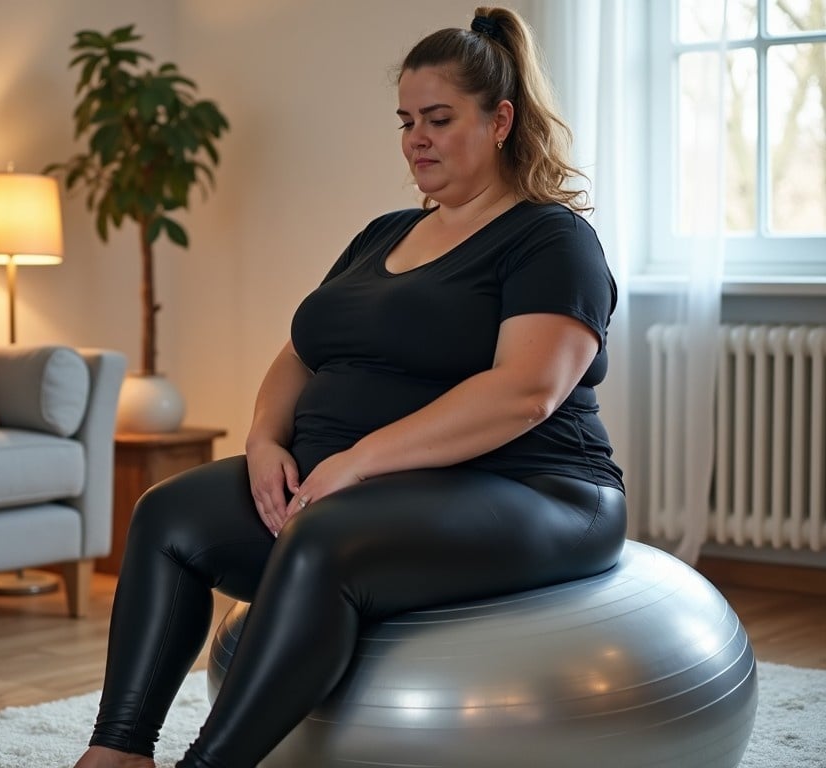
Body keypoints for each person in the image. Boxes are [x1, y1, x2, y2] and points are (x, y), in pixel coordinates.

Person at [73, 6, 626, 768]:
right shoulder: (384, 233)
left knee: (326, 538)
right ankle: (117, 752)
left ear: (500, 120)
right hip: (357, 482)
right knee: (167, 514)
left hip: (532, 486)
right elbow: (300, 354)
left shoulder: (550, 238)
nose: (416, 140)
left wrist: (358, 461)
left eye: (438, 118)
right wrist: (264, 441)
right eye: (405, 121)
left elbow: (525, 392)